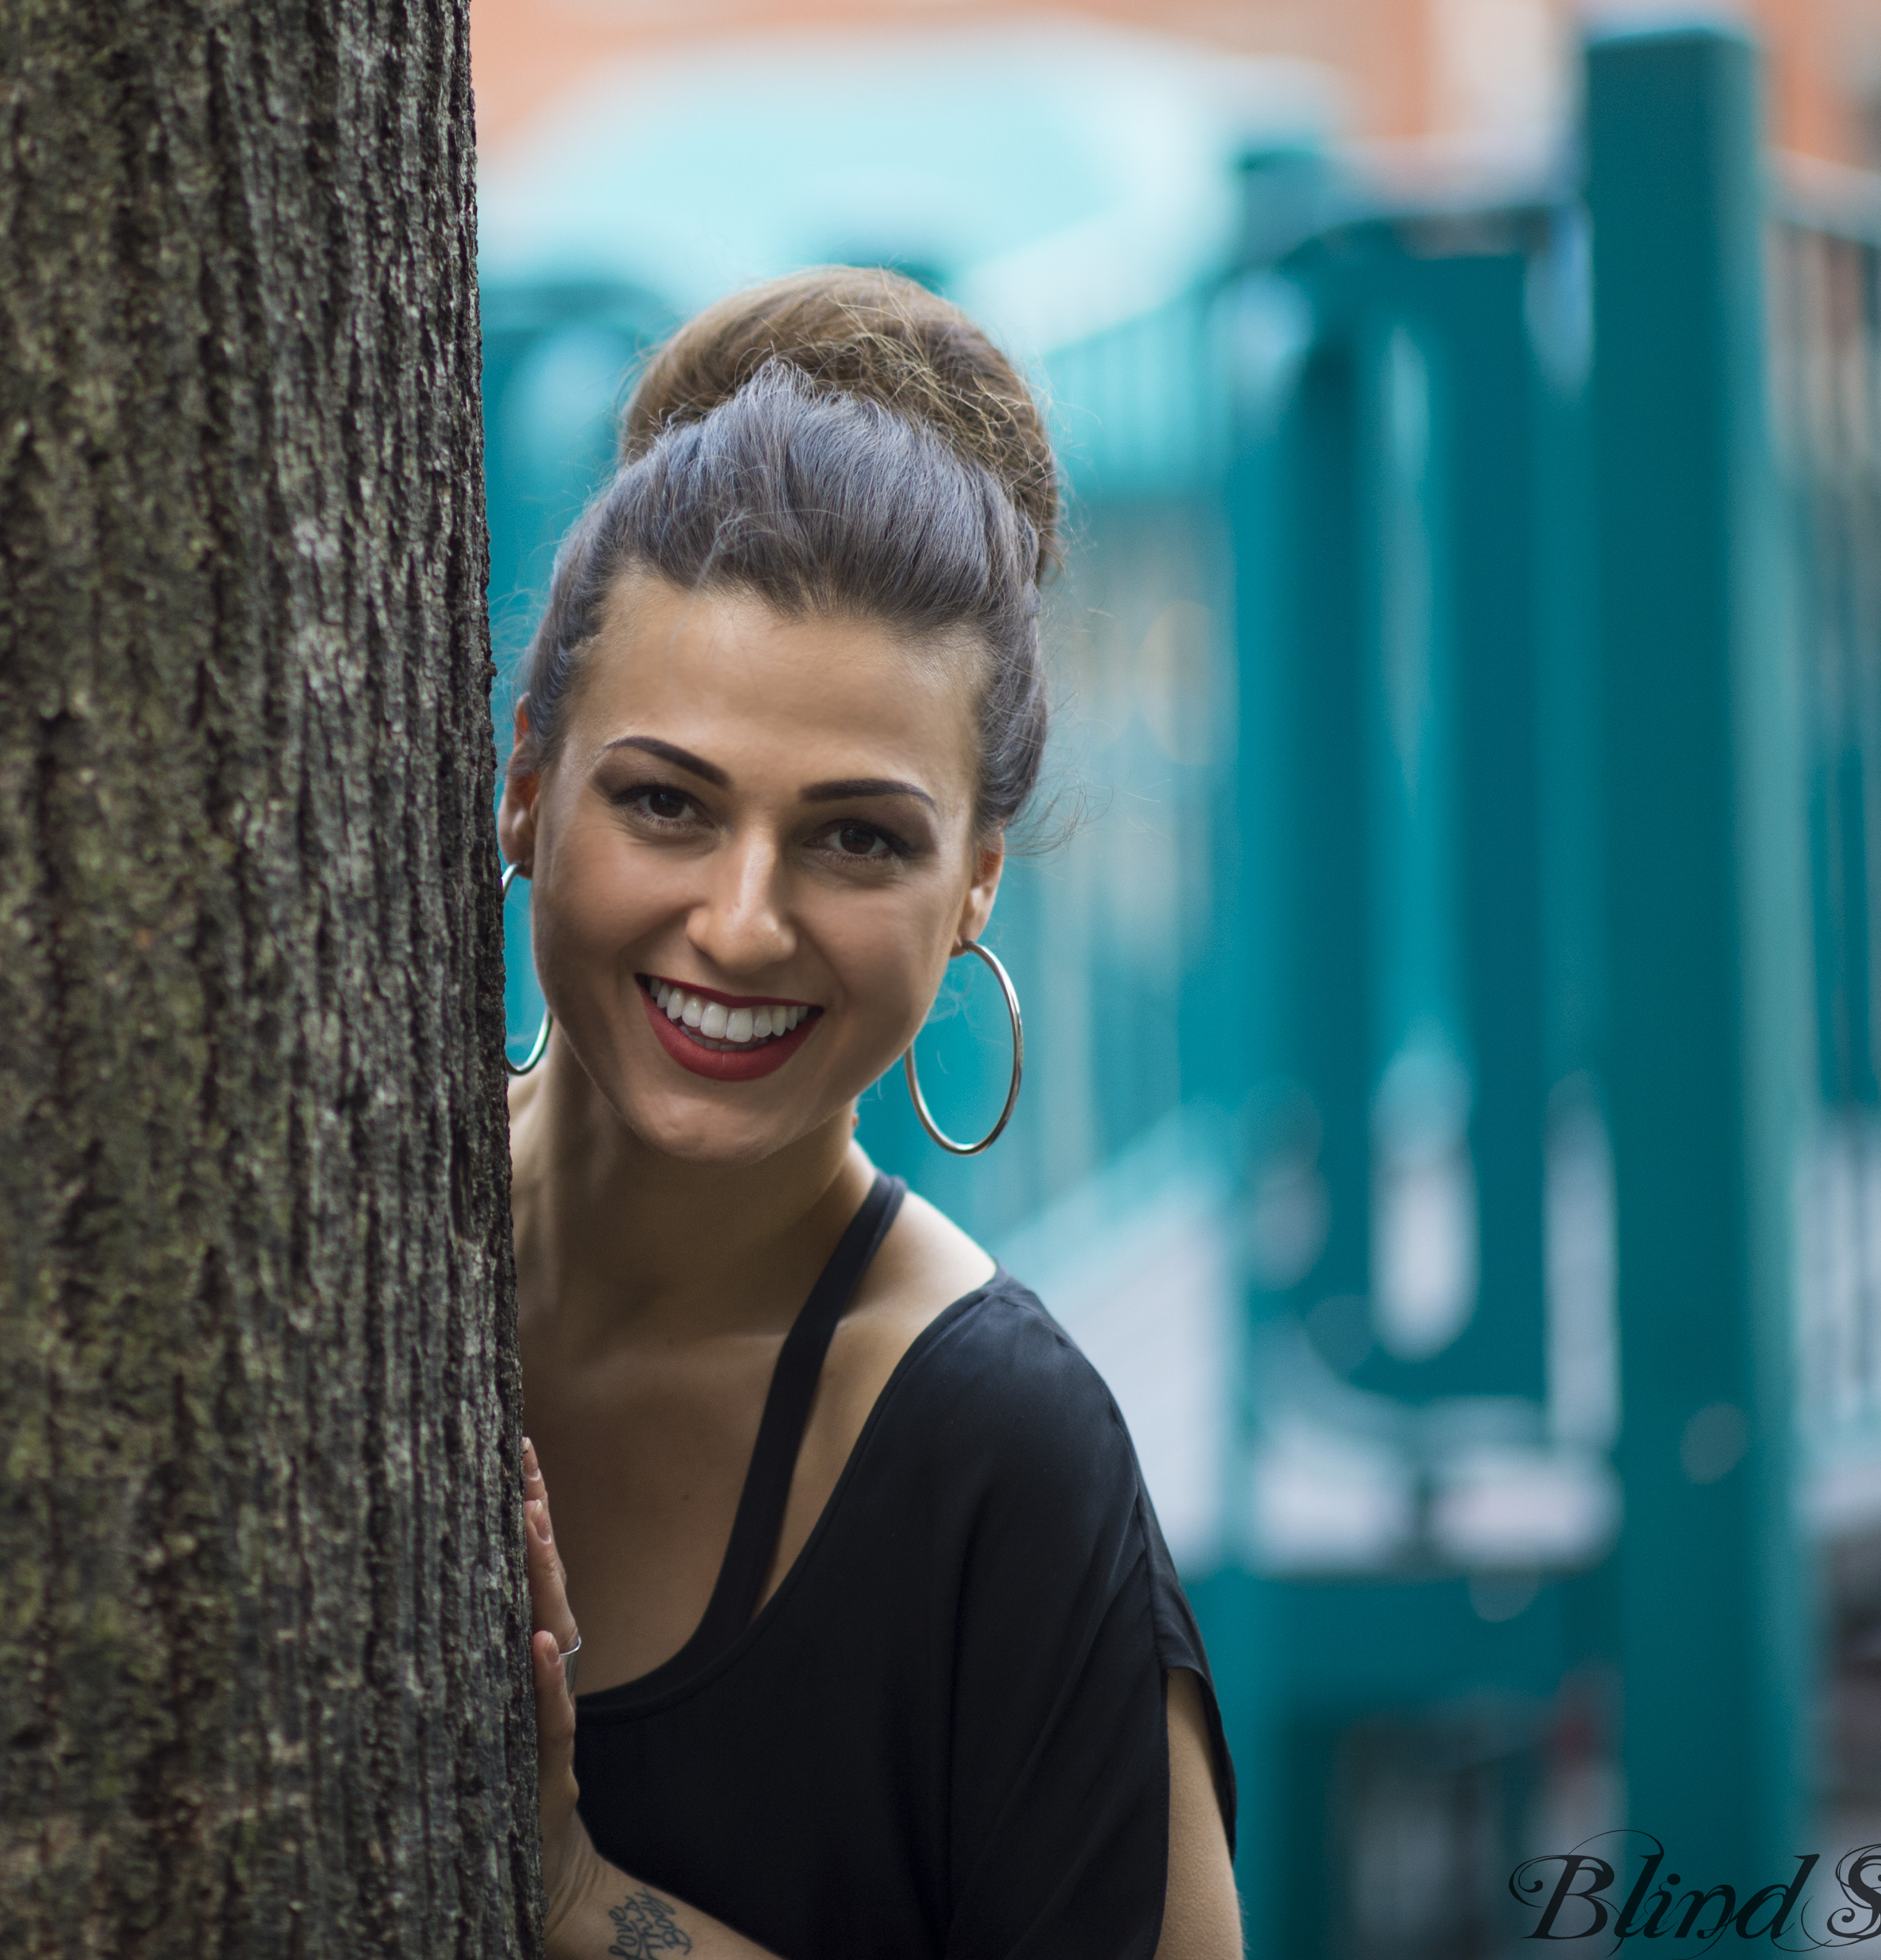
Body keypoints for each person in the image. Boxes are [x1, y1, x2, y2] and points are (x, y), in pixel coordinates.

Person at [497, 268, 1243, 1960]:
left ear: (973, 886)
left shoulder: (1003, 1463)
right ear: (529, 779)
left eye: (858, 840)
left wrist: (574, 1900)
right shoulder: (328, 1235)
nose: (745, 923)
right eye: (667, 803)